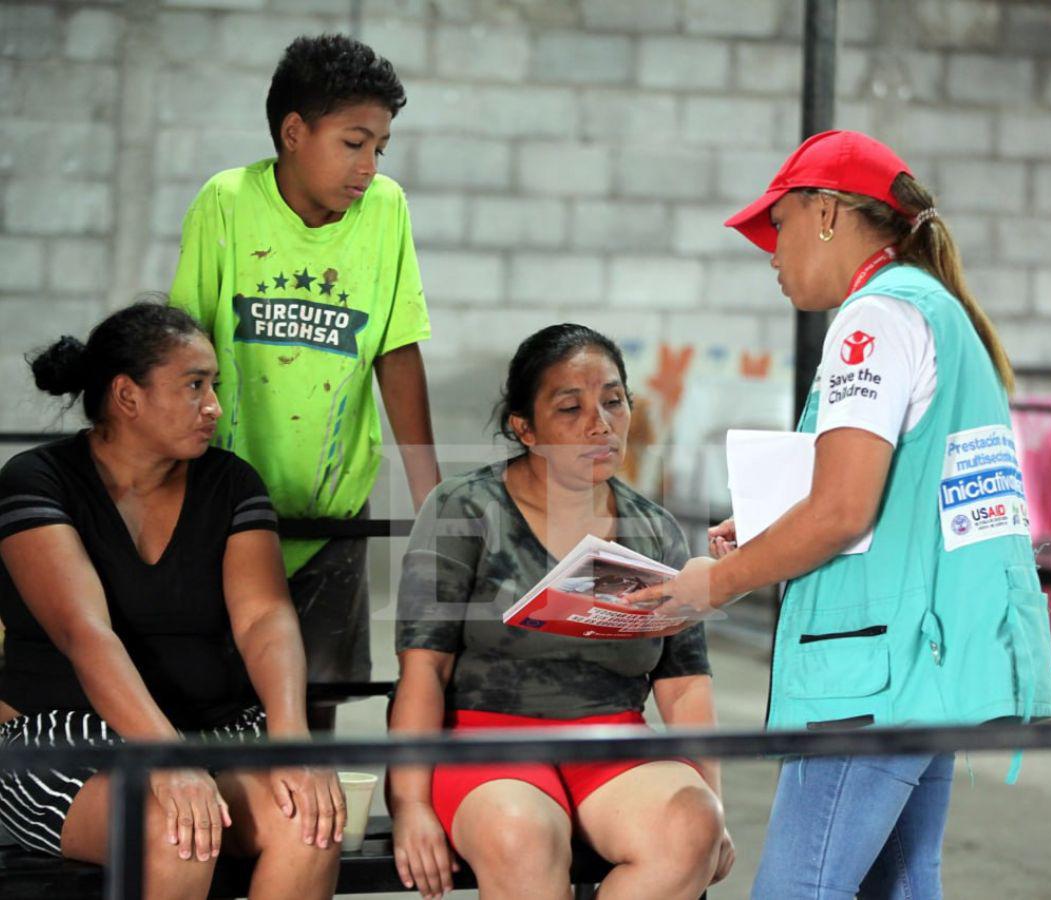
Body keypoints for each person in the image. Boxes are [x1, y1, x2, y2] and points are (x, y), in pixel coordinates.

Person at [624, 131, 1051, 899]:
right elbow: (900, 497)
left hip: (874, 672)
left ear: (827, 212)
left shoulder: (873, 321)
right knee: (901, 884)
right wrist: (773, 525)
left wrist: (715, 584)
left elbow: (840, 510)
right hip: (931, 660)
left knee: (800, 887)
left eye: (780, 224)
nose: (772, 253)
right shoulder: (939, 312)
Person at [0, 303, 345, 900]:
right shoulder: (38, 479)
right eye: (193, 385)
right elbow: (86, 634)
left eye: (214, 385)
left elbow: (264, 618)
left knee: (310, 824)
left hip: (215, 730)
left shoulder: (231, 482)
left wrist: (291, 742)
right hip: (65, 738)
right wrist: (165, 758)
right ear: (127, 396)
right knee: (175, 833)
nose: (213, 406)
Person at [389, 325, 735, 900]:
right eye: (571, 409)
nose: (600, 425)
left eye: (614, 402)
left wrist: (714, 800)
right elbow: (425, 668)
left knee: (691, 825)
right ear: (524, 428)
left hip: (611, 738)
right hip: (486, 740)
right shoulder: (464, 509)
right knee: (521, 836)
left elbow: (685, 683)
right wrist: (410, 804)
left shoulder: (654, 529)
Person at [169, 34, 440, 725]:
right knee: (217, 700)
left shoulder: (385, 209)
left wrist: (431, 495)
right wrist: (168, 482)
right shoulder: (226, 202)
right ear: (294, 132)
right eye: (354, 143)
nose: (368, 166)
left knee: (312, 710)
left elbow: (396, 349)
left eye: (380, 148)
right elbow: (184, 351)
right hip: (225, 508)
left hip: (333, 514)